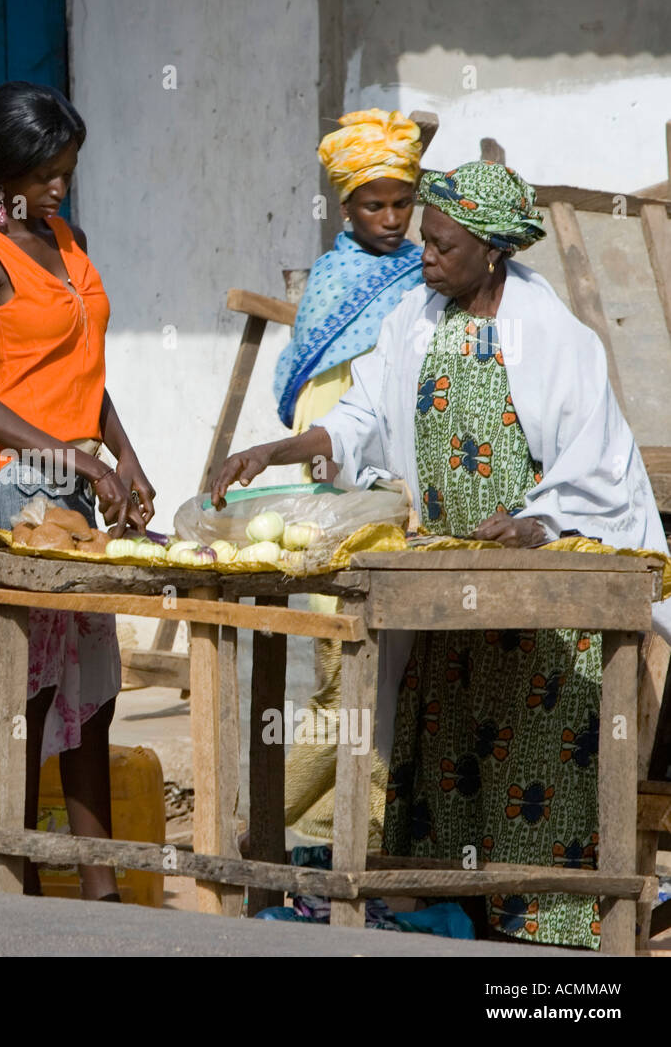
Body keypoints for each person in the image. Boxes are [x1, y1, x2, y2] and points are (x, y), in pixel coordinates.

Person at [211, 160, 671, 948]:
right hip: (450, 599)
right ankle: (451, 920)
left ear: (492, 251)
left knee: (535, 767)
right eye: (425, 240)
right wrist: (282, 447)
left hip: (542, 616)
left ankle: (542, 934)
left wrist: (533, 524)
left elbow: (595, 466)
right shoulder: (414, 319)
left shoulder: (553, 335)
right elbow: (360, 419)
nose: (425, 255)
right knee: (449, 764)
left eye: (442, 245)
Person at [0, 82, 155, 900]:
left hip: (73, 480)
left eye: (67, 170)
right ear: (7, 168)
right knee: (33, 690)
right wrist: (82, 465)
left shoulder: (69, 241)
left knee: (94, 692)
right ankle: (23, 880)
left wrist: (124, 456)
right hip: (13, 483)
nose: (58, 187)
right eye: (45, 173)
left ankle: (100, 886)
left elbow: (85, 376)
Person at [272, 110, 426, 849]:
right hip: (345, 511)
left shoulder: (421, 272)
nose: (392, 219)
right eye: (374, 204)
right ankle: (266, 826)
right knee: (346, 683)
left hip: (396, 510)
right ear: (344, 208)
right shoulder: (340, 285)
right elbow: (326, 415)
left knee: (380, 683)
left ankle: (337, 830)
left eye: (403, 202)